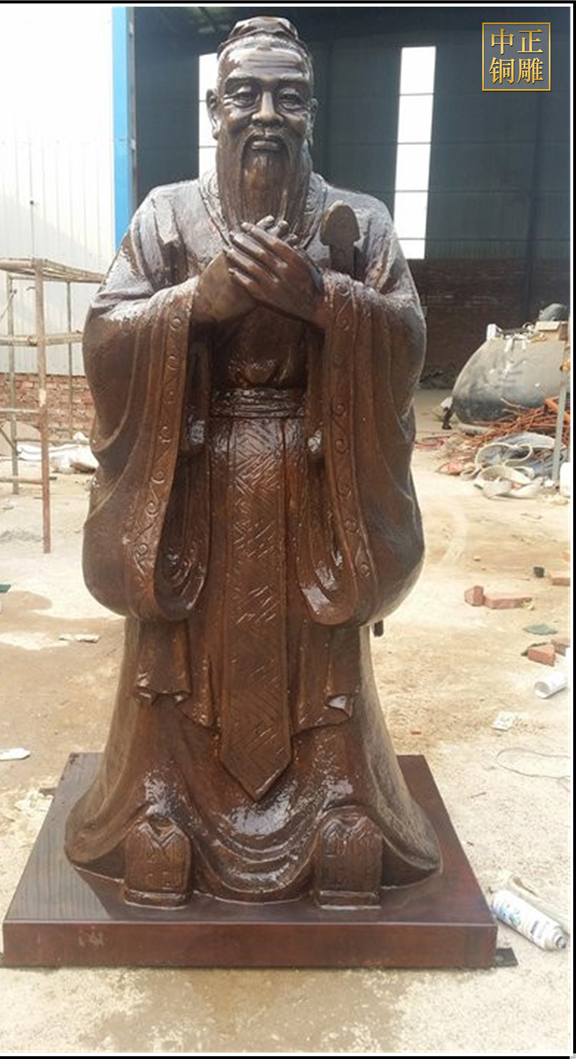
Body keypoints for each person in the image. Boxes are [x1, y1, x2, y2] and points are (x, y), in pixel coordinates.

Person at [65, 16, 440, 906]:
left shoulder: (363, 220)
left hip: (315, 482)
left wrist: (325, 300)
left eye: (288, 96)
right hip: (192, 482)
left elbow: (409, 340)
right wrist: (196, 302)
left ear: (312, 109)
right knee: (175, 655)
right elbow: (107, 334)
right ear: (214, 107)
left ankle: (337, 802)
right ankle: (162, 803)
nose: (266, 113)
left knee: (322, 654)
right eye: (245, 93)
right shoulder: (167, 216)